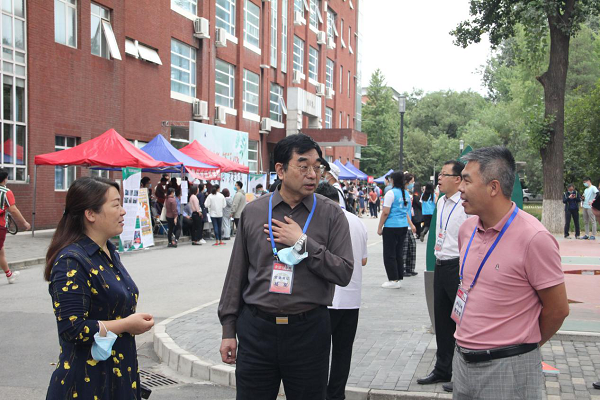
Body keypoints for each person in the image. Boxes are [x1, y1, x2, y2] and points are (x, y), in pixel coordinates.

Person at [218, 134, 353, 400]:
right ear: (280, 170)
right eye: (303, 166)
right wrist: (228, 330)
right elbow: (236, 274)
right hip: (256, 330)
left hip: (308, 331)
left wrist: (303, 243)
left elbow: (344, 272)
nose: (313, 174)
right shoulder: (254, 212)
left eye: (317, 167)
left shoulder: (331, 214)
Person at [453, 146, 569, 399]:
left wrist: (520, 348)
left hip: (509, 366)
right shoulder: (467, 230)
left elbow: (558, 309)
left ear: (493, 187)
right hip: (462, 361)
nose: (459, 187)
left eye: (467, 181)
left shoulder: (534, 238)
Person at [45, 177, 154, 400]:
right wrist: (127, 325)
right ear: (90, 214)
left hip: (119, 375)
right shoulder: (72, 261)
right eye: (115, 205)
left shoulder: (109, 252)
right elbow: (72, 329)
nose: (123, 211)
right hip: (87, 383)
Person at [417, 161, 468, 392]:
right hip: (440, 265)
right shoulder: (440, 201)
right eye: (439, 174)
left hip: (458, 267)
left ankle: (463, 373)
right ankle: (442, 369)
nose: (439, 178)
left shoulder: (465, 204)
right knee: (442, 320)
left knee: (462, 322)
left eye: (444, 175)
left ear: (458, 179)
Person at [315, 182, 368, 400]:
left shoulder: (320, 220)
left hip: (324, 300)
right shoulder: (357, 222)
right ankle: (336, 395)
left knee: (318, 353)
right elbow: (363, 260)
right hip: (351, 298)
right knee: (343, 352)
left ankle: (319, 394)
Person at [377, 172, 416, 289]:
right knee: (398, 253)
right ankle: (398, 277)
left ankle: (393, 279)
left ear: (393, 180)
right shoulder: (406, 194)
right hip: (403, 226)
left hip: (391, 226)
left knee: (389, 254)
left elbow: (385, 212)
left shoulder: (391, 193)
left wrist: (380, 227)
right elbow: (406, 212)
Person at [0, 169, 30, 284]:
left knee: (1, 251)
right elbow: (13, 209)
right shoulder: (6, 192)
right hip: (0, 225)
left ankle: (9, 275)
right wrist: (24, 222)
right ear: (5, 179)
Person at [402, 174, 418, 277]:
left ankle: (410, 268)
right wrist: (411, 224)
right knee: (405, 248)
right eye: (412, 181)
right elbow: (404, 211)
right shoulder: (403, 194)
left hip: (408, 223)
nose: (413, 183)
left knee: (411, 246)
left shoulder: (407, 193)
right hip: (405, 224)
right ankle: (403, 269)